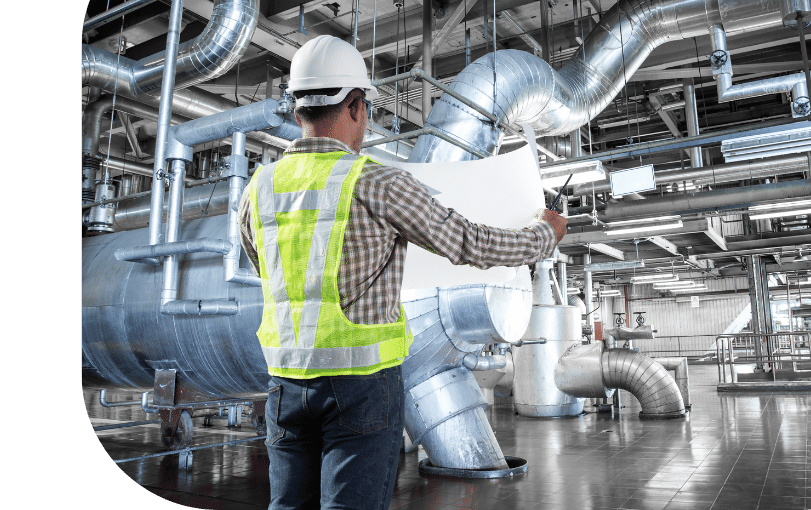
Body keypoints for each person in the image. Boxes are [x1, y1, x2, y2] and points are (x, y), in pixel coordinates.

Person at [237, 35, 567, 510]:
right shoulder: (376, 182)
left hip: (286, 384)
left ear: (297, 110)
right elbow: (467, 242)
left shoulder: (258, 189)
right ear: (355, 106)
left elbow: (265, 273)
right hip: (361, 386)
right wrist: (543, 236)